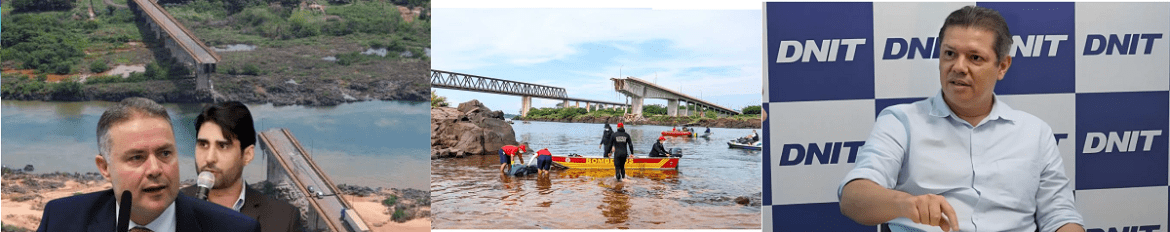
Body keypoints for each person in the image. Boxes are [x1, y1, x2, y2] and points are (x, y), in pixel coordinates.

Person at [838, 6, 1084, 232]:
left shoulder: (1035, 132)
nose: (958, 67)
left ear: (1002, 66)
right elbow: (853, 198)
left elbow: (1060, 216)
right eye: (949, 54)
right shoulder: (901, 122)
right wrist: (906, 204)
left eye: (975, 58)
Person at [38, 97, 260, 232]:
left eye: (165, 153)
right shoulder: (61, 220)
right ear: (104, 167)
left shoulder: (235, 229)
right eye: (136, 157)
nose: (155, 169)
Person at [178, 101, 302, 232]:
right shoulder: (171, 208)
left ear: (247, 155)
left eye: (223, 146)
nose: (209, 158)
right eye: (203, 144)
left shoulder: (283, 218)